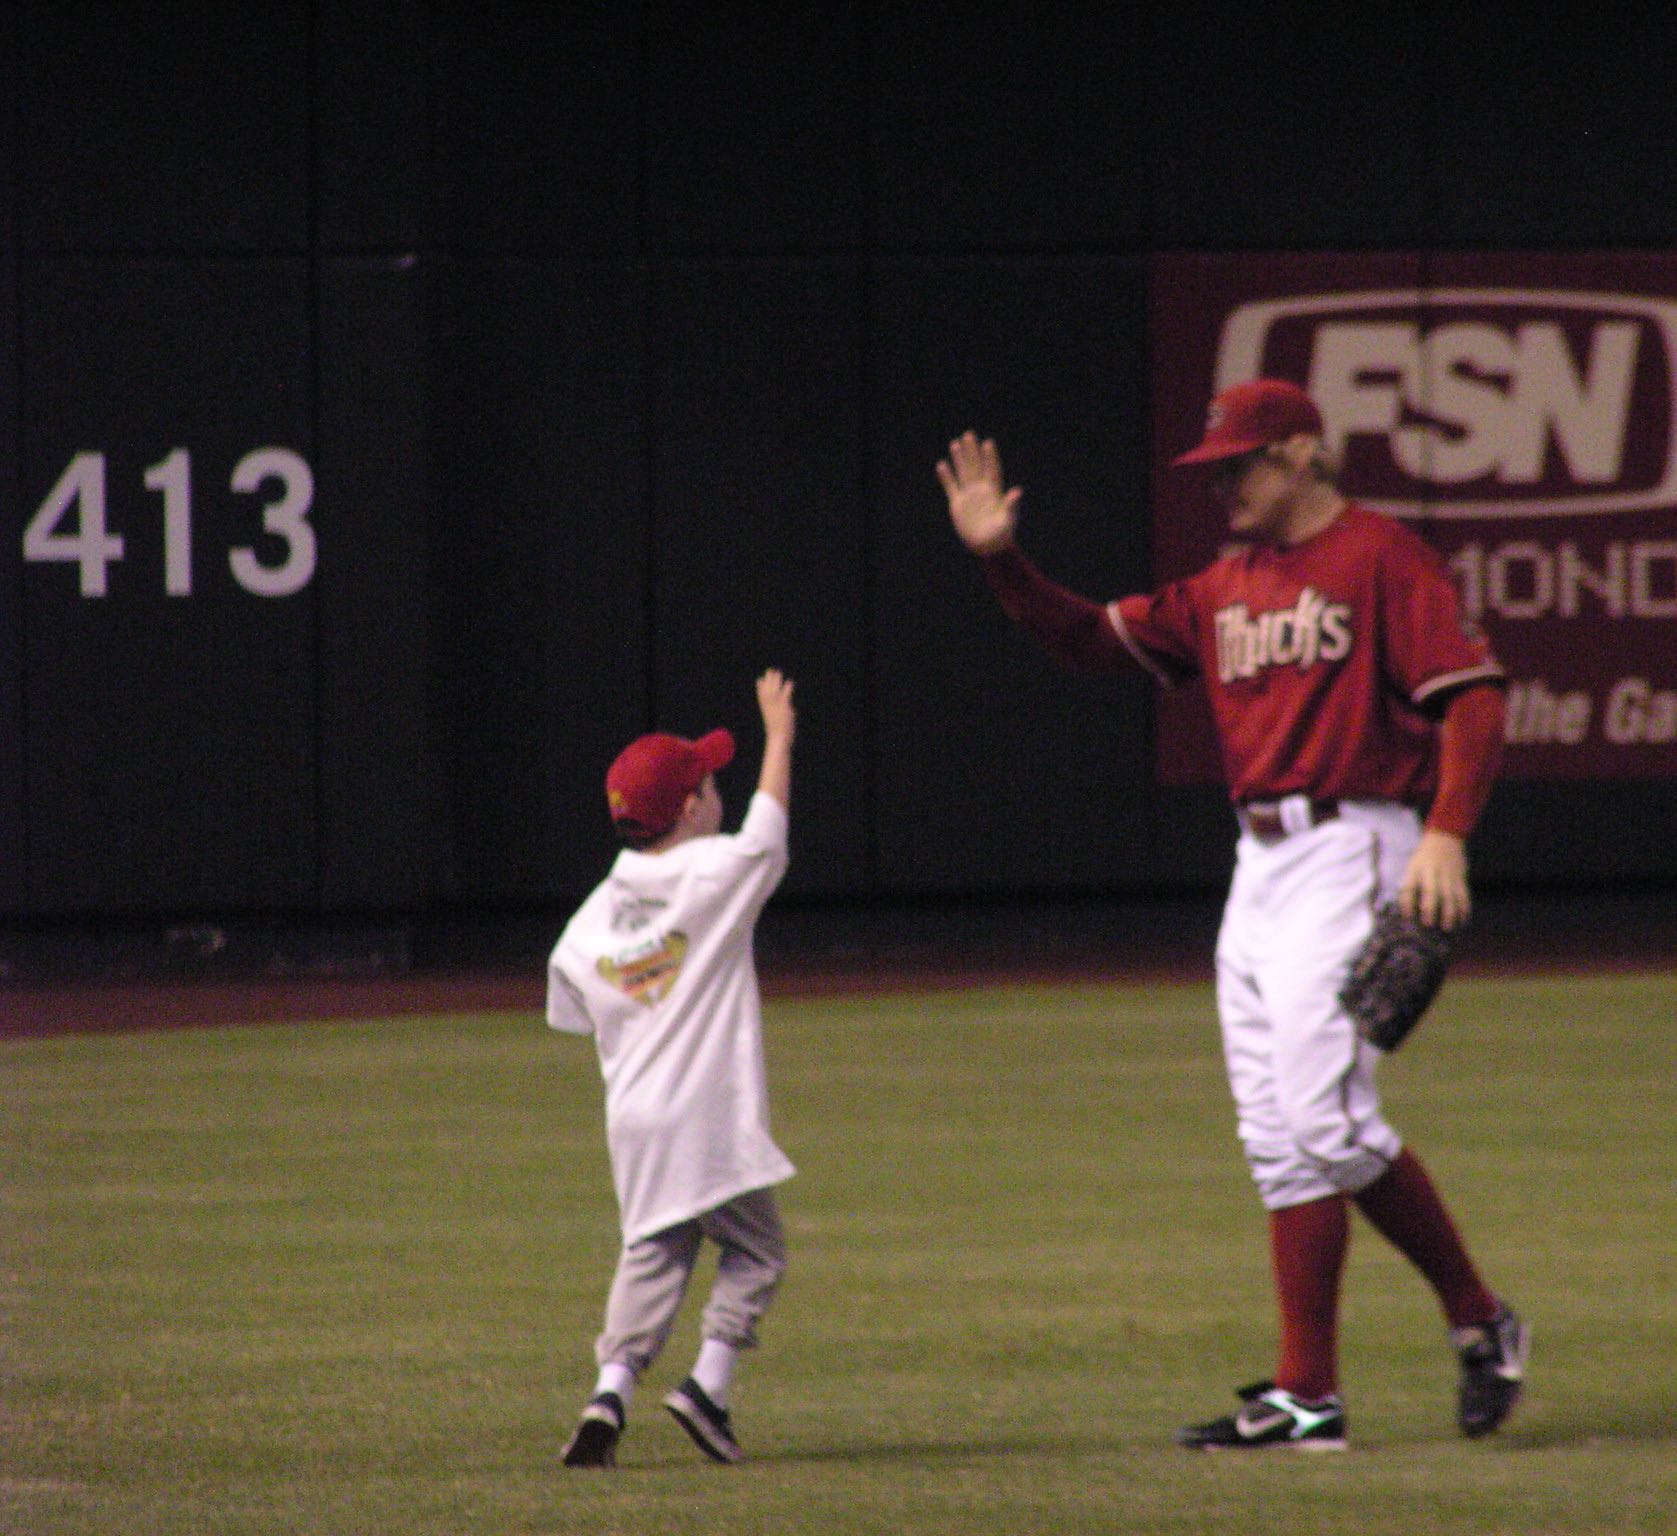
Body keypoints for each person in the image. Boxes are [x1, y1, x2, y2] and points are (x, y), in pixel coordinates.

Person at [936, 379, 1526, 1450]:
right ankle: (1308, 1396)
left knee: (1325, 1119)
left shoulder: (1381, 558)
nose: (1221, 485)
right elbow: (1082, 640)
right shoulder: (1219, 588)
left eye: (1240, 464)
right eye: (1211, 470)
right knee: (1278, 1143)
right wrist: (998, 559)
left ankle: (1480, 1318)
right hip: (1255, 868)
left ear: (1303, 450)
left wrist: (1443, 832)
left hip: (1354, 841)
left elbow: (1473, 698)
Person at [548, 670, 798, 1468]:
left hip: (638, 1123)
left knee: (654, 1255)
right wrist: (780, 736)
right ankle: (707, 1388)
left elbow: (571, 1002)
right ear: (689, 809)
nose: (717, 789)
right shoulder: (712, 874)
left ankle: (608, 1395)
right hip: (707, 1114)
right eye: (708, 781)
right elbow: (766, 834)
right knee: (757, 1252)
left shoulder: (585, 923)